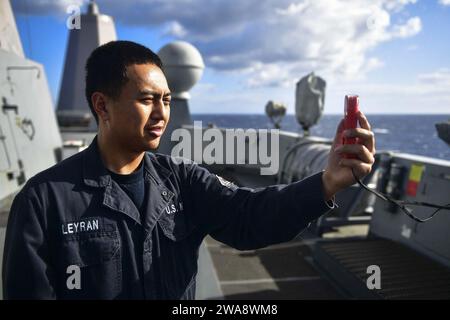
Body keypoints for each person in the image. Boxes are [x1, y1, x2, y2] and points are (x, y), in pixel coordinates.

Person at [2, 40, 375, 299]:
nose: (162, 113)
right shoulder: (43, 200)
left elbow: (250, 217)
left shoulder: (182, 179)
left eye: (165, 99)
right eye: (147, 99)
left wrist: (327, 183)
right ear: (102, 105)